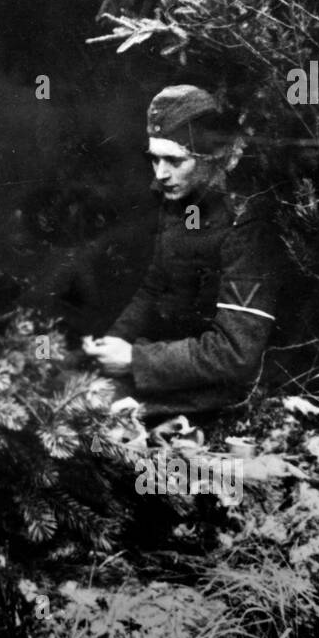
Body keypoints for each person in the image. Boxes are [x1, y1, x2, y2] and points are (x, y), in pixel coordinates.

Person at [82, 85, 282, 421]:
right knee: (78, 392)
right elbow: (155, 286)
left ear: (213, 156)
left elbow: (236, 354)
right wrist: (113, 344)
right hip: (182, 368)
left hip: (235, 388)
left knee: (108, 413)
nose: (160, 174)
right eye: (154, 159)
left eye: (175, 160)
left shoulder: (246, 222)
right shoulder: (182, 200)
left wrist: (135, 360)